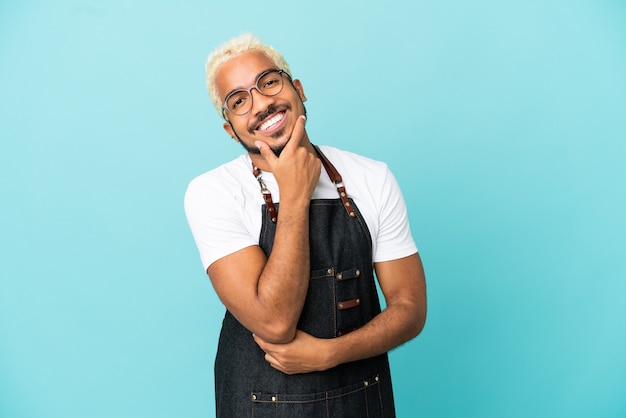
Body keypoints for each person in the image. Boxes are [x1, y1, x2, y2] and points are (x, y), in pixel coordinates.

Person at [184, 32, 427, 418]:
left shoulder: (372, 177)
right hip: (259, 404)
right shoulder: (213, 193)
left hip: (361, 400)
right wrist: (295, 192)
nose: (261, 103)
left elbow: (410, 308)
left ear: (298, 89)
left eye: (269, 82)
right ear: (231, 128)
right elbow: (274, 322)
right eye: (239, 100)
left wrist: (328, 354)